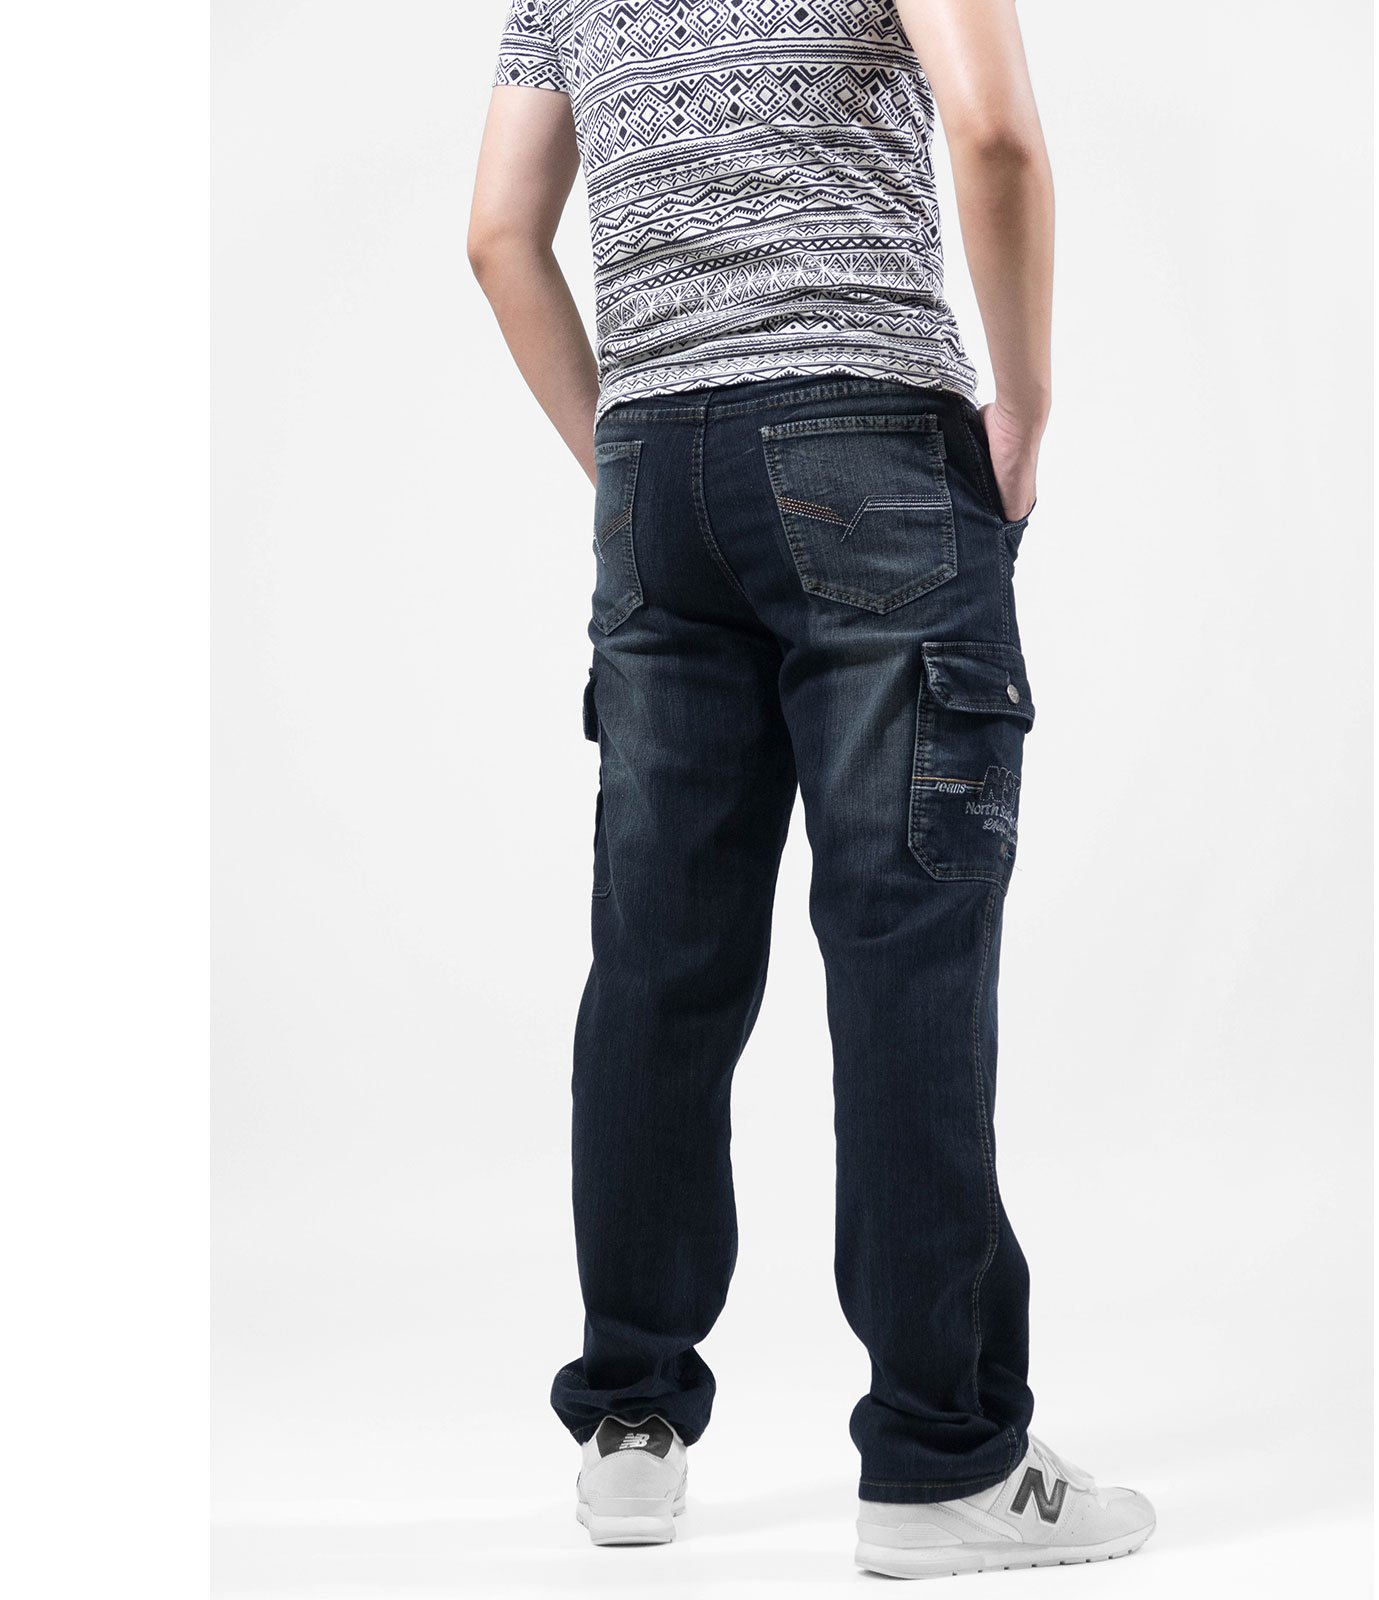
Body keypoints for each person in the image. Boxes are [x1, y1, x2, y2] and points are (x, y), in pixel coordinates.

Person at [468, 0, 1154, 1576]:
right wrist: (1025, 402)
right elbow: (994, 132)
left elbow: (500, 234)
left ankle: (629, 1426)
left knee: (659, 961)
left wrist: (623, 460)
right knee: (906, 954)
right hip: (872, 441)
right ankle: (940, 1460)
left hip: (658, 469)